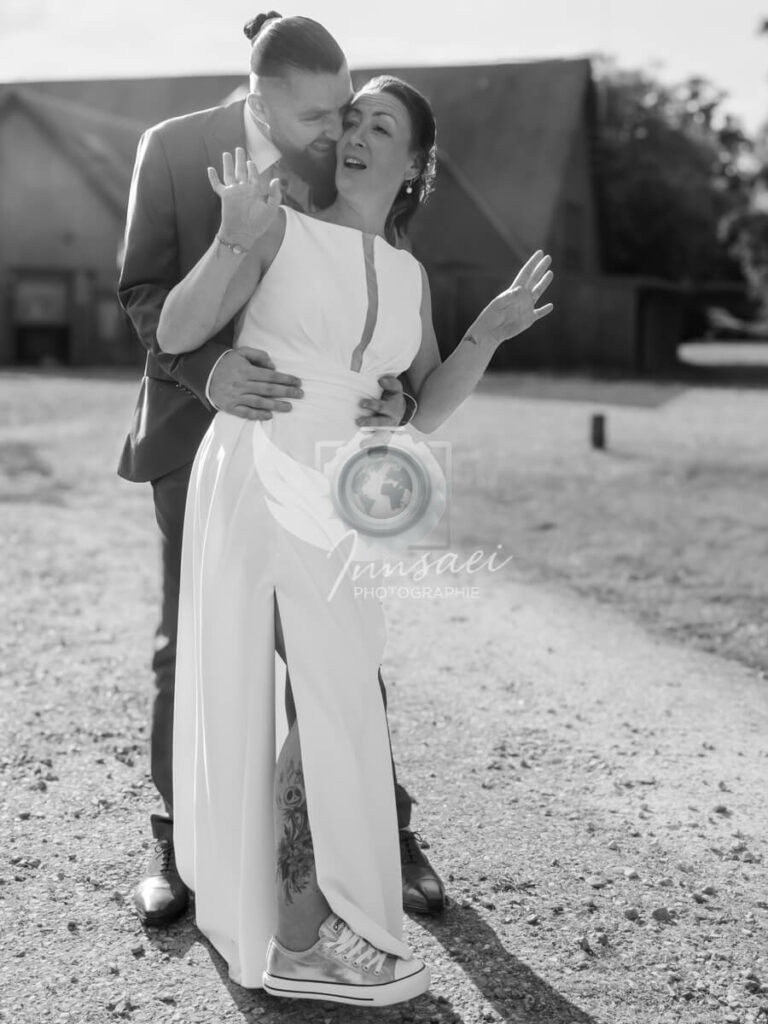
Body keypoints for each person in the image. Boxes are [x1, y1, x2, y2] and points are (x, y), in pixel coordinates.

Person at [156, 59, 553, 1005]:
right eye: (352, 120)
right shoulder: (277, 225)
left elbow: (423, 407)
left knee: (340, 697)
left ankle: (303, 918)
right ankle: (300, 934)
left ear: (415, 164)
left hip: (365, 483)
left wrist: (486, 334)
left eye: (381, 126)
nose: (356, 135)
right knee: (305, 693)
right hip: (267, 459)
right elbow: (175, 332)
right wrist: (230, 238)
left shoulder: (411, 274)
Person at [117, 11, 445, 928]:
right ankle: (181, 841)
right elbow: (142, 290)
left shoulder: (340, 152)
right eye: (320, 115)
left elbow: (366, 281)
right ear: (261, 101)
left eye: (347, 110)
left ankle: (381, 829)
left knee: (336, 645)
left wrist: (396, 394)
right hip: (197, 431)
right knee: (190, 640)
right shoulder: (172, 149)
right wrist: (206, 371)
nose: (337, 130)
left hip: (320, 449)